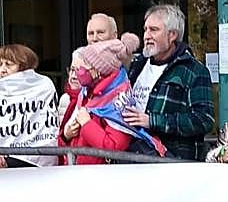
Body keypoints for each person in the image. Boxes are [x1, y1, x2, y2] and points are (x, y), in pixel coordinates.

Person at [122, 4, 214, 160]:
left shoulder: (195, 71)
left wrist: (153, 121)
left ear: (172, 35)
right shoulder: (136, 64)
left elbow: (203, 120)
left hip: (171, 164)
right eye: (145, 29)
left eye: (154, 30)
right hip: (131, 156)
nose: (146, 36)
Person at [60, 35, 157, 165]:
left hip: (103, 178)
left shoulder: (118, 101)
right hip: (81, 172)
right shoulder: (87, 92)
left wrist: (87, 124)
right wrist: (66, 135)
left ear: (99, 70)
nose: (79, 73)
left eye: (83, 68)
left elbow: (114, 147)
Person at [0, 44, 58, 168]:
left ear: (23, 66)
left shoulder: (44, 86)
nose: (2, 69)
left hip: (35, 162)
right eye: (0, 64)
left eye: (8, 64)